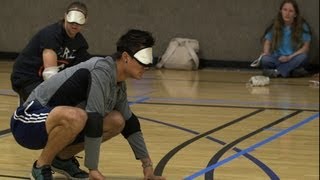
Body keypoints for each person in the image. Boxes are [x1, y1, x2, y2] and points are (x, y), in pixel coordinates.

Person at [10, 29, 166, 180]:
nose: (146, 66)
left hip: (54, 124)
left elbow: (130, 122)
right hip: (27, 120)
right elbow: (94, 117)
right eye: (143, 60)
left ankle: (62, 159)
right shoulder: (101, 70)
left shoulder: (118, 84)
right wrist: (93, 168)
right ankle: (40, 167)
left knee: (117, 121)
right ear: (126, 57)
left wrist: (147, 166)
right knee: (78, 116)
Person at [11, 1, 92, 104]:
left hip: (42, 80)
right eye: (72, 21)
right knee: (48, 103)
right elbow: (50, 74)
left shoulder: (80, 43)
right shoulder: (52, 35)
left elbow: (86, 67)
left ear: (85, 20)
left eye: (78, 22)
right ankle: (26, 107)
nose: (74, 25)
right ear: (65, 16)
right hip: (27, 77)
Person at [259, 0, 312, 78]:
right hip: (278, 58)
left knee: (303, 57)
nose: (287, 14)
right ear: (281, 11)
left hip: (293, 58)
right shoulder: (276, 25)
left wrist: (289, 58)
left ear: (295, 14)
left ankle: (277, 72)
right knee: (264, 59)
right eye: (285, 10)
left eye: (291, 11)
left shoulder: (302, 26)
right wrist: (266, 52)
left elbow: (306, 48)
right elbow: (267, 42)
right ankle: (291, 71)